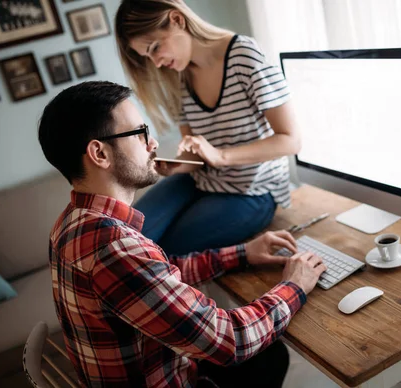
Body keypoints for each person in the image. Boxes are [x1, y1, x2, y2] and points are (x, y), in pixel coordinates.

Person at [38, 81, 326, 388]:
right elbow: (232, 341)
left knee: (267, 356)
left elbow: (158, 276)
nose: (153, 144)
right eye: (140, 133)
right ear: (99, 153)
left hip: (154, 369)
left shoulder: (70, 223)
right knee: (267, 353)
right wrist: (294, 285)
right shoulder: (114, 248)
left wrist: (242, 253)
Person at [115, 0, 301, 255]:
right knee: (128, 239)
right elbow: (195, 154)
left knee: (163, 251)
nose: (156, 62)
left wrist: (222, 156)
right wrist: (179, 164)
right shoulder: (178, 75)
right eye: (147, 56)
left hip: (252, 192)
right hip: (199, 180)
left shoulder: (244, 55)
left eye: (155, 47)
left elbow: (291, 140)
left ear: (177, 20)